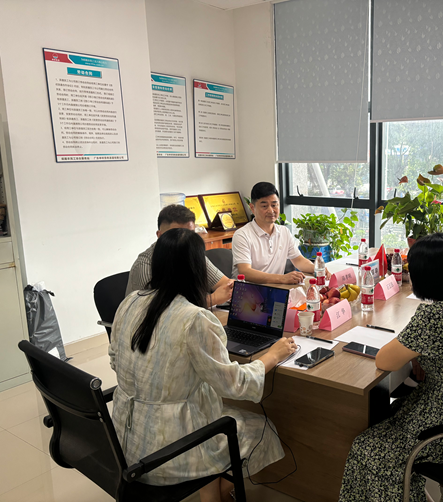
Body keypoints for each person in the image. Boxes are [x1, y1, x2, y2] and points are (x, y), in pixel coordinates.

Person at [109, 228, 297, 502]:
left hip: (125, 442)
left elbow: (115, 360)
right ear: (198, 269)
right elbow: (235, 385)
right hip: (169, 451)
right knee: (261, 428)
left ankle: (211, 494)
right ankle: (214, 492)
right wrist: (273, 355)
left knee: (210, 412)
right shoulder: (195, 319)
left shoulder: (129, 302)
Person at [339, 233, 443, 502]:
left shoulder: (437, 316)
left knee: (369, 448)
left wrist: (413, 350)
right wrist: (417, 353)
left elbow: (384, 361)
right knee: (391, 413)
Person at [126, 204, 233, 306]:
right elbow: (156, 310)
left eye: (190, 234)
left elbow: (225, 283)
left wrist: (232, 287)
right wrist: (212, 299)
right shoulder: (144, 266)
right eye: (177, 235)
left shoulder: (192, 254)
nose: (186, 240)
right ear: (160, 235)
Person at [232, 182, 331, 284]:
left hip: (277, 289)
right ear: (252, 208)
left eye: (274, 205)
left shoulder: (284, 232)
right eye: (264, 206)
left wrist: (317, 268)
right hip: (249, 291)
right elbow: (245, 272)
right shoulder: (242, 235)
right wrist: (282, 278)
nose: (271, 210)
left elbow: (298, 260)